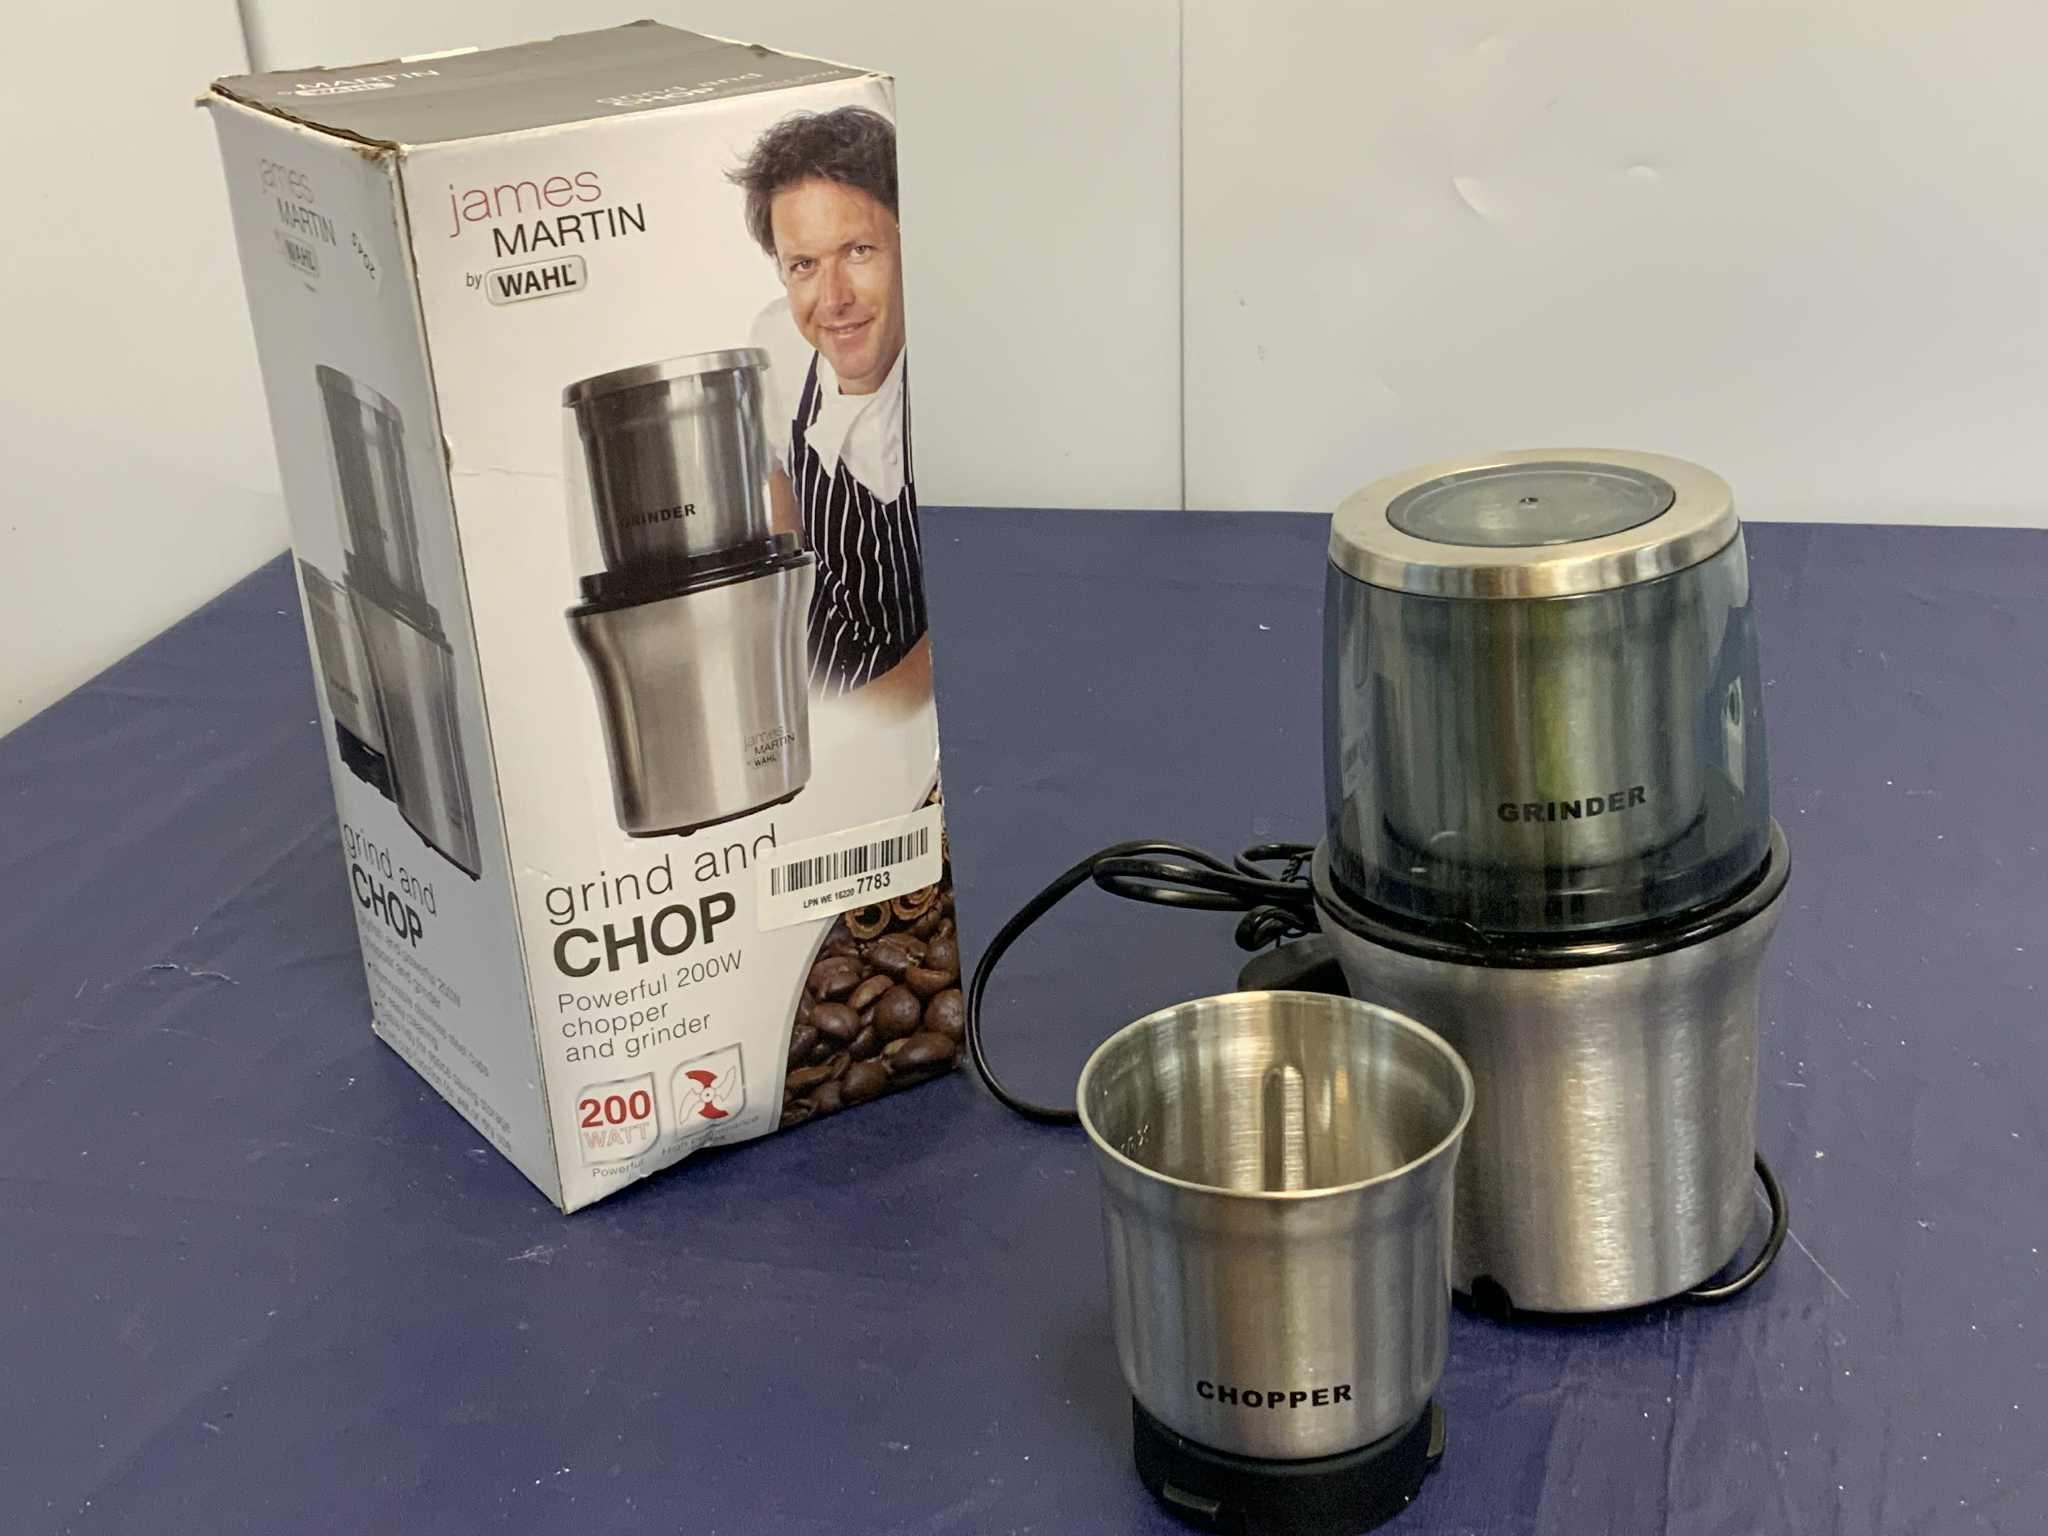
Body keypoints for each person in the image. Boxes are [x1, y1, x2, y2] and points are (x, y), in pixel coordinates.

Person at [730, 107, 929, 704]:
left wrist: (865, 723)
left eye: (859, 251)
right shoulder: (775, 345)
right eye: (805, 265)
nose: (833, 299)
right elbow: (778, 502)